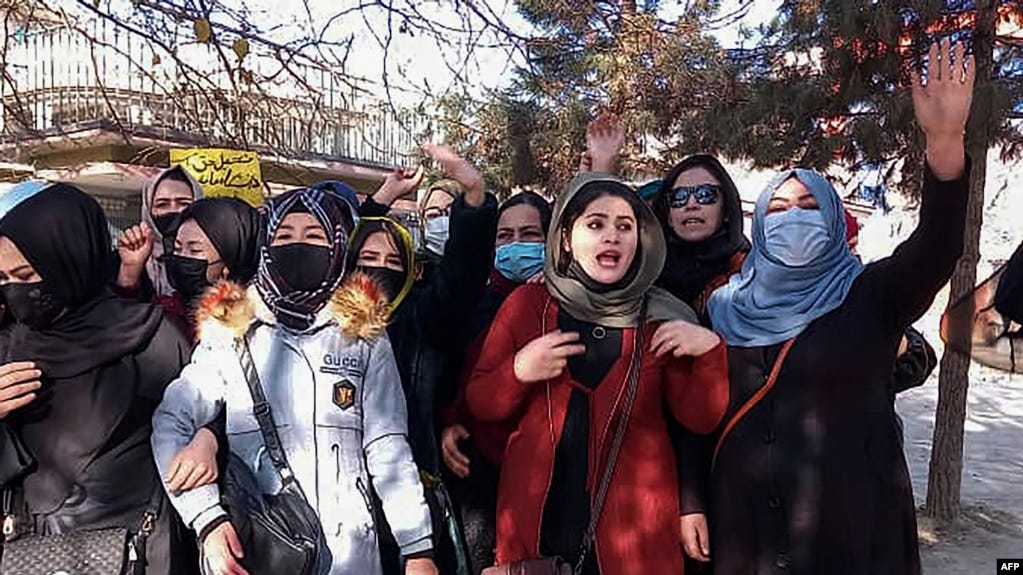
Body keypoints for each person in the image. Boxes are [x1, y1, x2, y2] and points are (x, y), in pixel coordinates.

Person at [703, 39, 973, 575]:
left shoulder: (870, 296)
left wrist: (945, 144)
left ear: (831, 222)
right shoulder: (722, 308)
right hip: (747, 539)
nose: (792, 218)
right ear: (759, 227)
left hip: (853, 538)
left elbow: (938, 247)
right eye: (777, 209)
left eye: (809, 206)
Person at [150, 186, 438, 575]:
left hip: (350, 553)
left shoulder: (361, 332)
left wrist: (417, 547)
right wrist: (207, 520)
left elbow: (387, 446)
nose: (298, 245)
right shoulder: (232, 327)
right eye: (285, 235)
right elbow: (172, 420)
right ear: (268, 245)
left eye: (314, 236)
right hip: (262, 552)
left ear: (336, 245)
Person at [466, 172, 730, 575]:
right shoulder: (528, 305)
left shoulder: (662, 318)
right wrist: (519, 371)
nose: (612, 236)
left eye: (625, 227)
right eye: (596, 224)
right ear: (567, 238)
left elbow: (698, 418)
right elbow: (481, 402)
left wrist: (709, 353)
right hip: (535, 538)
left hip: (635, 545)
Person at [0, 183, 196, 574]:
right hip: (26, 554)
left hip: (135, 552)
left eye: (25, 274)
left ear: (69, 259)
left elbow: (201, 426)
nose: (15, 291)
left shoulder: (151, 338)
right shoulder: (7, 346)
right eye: (3, 279)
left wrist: (207, 439)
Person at [349, 146, 498, 575]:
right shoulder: (324, 328)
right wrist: (382, 199)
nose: (379, 269)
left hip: (410, 505)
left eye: (393, 261)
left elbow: (462, 276)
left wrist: (474, 199)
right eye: (368, 259)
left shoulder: (421, 319)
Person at [439, 191, 552, 573]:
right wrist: (449, 420)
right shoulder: (475, 301)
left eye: (529, 234)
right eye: (505, 236)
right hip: (479, 471)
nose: (516, 245)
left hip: (545, 476)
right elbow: (455, 370)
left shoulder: (566, 302)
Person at [158, 197, 261, 339]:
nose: (182, 257)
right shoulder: (165, 312)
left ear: (229, 262)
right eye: (177, 248)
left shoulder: (257, 332)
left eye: (195, 251)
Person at [117, 166, 205, 299]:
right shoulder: (126, 257)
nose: (174, 210)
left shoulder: (214, 257)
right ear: (148, 210)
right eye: (162, 205)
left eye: (183, 203)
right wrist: (130, 272)